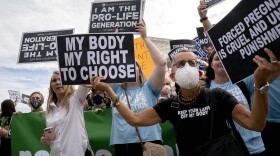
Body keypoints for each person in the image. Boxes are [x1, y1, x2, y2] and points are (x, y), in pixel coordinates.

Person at [91, 47, 279, 156]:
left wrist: (260, 85)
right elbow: (134, 119)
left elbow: (256, 123)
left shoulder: (218, 96)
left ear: (199, 71)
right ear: (172, 75)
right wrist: (109, 90)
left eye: (192, 62)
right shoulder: (170, 105)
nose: (187, 67)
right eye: (181, 64)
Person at [104, 20, 166, 156]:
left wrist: (145, 37)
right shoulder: (115, 90)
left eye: (133, 65)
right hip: (122, 145)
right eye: (124, 65)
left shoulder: (150, 88)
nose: (128, 67)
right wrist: (113, 43)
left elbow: (161, 64)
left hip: (150, 143)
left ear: (139, 70)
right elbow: (106, 66)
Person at [40, 70, 93, 156]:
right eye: (54, 80)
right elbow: (55, 131)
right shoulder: (50, 108)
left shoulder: (76, 98)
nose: (57, 82)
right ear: (51, 86)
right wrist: (45, 138)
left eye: (61, 79)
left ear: (69, 82)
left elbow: (86, 75)